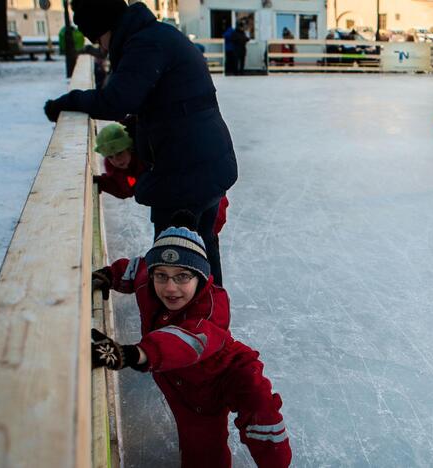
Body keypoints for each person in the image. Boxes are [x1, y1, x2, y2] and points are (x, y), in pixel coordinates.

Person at [43, 0, 237, 286]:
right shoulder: (157, 35)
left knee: (175, 259)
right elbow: (169, 101)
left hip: (186, 171)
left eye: (99, 40)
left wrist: (67, 102)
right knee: (201, 248)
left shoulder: (145, 44)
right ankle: (207, 320)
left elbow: (116, 101)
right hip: (203, 160)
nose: (104, 48)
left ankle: (186, 325)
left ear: (105, 28)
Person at [90, 215, 292, 468]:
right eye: (161, 275)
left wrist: (133, 354)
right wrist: (108, 276)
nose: (170, 287)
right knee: (202, 452)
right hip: (184, 390)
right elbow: (136, 269)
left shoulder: (211, 309)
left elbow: (187, 341)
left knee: (261, 411)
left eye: (183, 276)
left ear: (201, 278)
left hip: (226, 372)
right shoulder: (148, 279)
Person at [93, 123, 230, 238]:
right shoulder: (123, 169)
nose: (116, 160)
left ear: (130, 148)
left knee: (203, 240)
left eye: (119, 153)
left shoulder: (147, 160)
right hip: (178, 204)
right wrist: (102, 183)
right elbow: (125, 188)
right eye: (110, 157)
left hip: (204, 197)